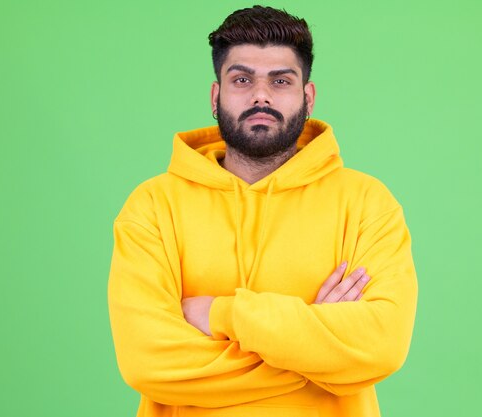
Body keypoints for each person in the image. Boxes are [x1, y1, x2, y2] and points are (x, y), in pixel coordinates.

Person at [108, 5, 418, 417]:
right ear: (216, 96)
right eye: (242, 79)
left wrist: (221, 313)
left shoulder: (366, 203)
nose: (260, 95)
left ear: (307, 97)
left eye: (280, 80)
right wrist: (314, 351)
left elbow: (381, 345)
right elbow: (147, 362)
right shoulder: (152, 207)